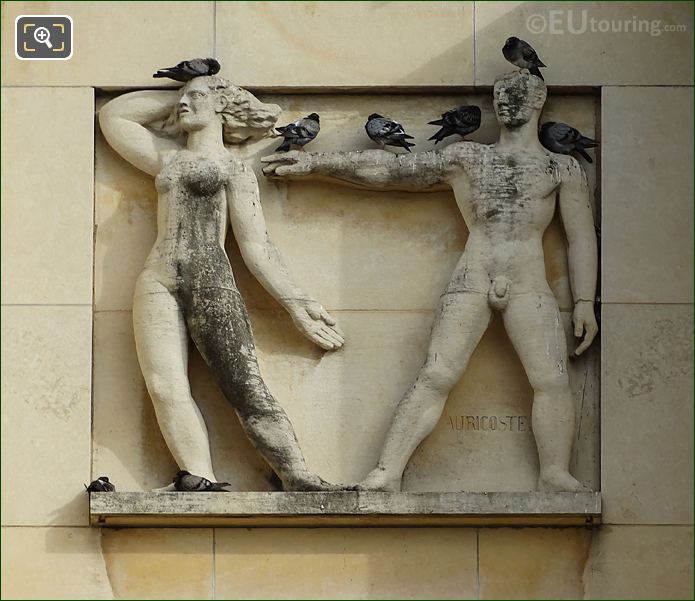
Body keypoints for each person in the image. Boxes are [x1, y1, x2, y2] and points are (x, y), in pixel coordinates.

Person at [262, 70, 598, 492]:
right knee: (437, 374)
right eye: (502, 94)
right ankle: (388, 471)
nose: (509, 101)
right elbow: (394, 170)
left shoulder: (560, 166)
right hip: (473, 275)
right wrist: (316, 162)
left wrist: (585, 300)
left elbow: (581, 236)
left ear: (539, 101)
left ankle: (554, 472)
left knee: (551, 378)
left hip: (528, 281)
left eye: (519, 93)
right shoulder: (469, 158)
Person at [99, 75, 345, 491]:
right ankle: (198, 476)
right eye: (181, 100)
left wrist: (296, 302)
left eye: (194, 98)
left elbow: (257, 247)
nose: (183, 105)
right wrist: (187, 89)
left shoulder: (234, 168)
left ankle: (296, 473)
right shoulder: (168, 159)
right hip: (158, 276)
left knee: (242, 383)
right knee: (164, 384)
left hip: (210, 279)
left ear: (221, 107)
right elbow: (114, 115)